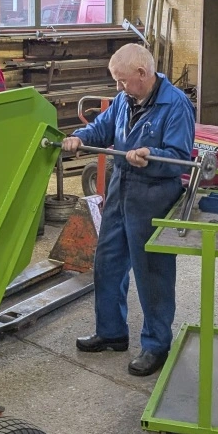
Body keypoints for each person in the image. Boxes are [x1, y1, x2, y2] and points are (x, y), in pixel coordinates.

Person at [61, 43, 194, 376]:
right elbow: (101, 128)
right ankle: (111, 333)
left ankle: (156, 346)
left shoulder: (175, 104)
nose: (118, 87)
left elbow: (180, 158)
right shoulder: (124, 100)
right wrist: (80, 137)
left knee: (152, 274)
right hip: (120, 189)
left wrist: (151, 154)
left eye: (121, 80)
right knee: (107, 263)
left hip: (154, 196)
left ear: (142, 73)